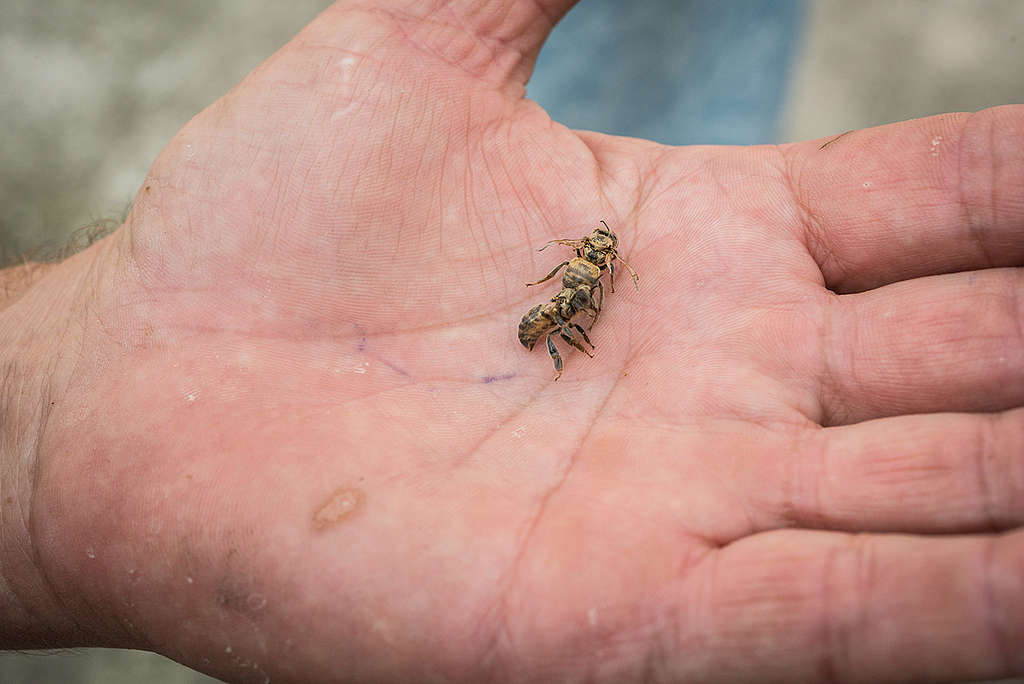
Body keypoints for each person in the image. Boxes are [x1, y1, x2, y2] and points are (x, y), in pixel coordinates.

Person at [1, 2, 1021, 682]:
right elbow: (572, 285)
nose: (590, 268)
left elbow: (582, 282)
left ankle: (672, 116)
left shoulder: (590, 267)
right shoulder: (580, 272)